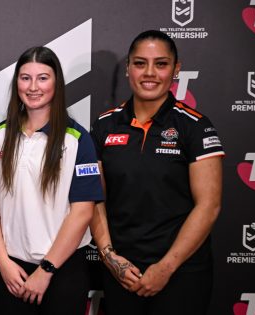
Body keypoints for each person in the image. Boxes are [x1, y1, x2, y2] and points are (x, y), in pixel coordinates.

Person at [89, 30, 224, 315]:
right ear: (128, 68)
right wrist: (111, 258)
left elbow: (208, 206)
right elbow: (94, 198)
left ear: (176, 69)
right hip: (122, 273)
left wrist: (166, 267)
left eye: (161, 64)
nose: (150, 73)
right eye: (140, 63)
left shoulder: (195, 126)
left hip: (181, 273)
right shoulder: (104, 126)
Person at [0, 46, 103, 315]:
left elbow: (83, 212)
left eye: (43, 78)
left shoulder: (77, 139)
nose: (33, 86)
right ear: (17, 83)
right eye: (25, 78)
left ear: (56, 83)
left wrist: (46, 270)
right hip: (12, 272)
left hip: (63, 271)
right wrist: (2, 263)